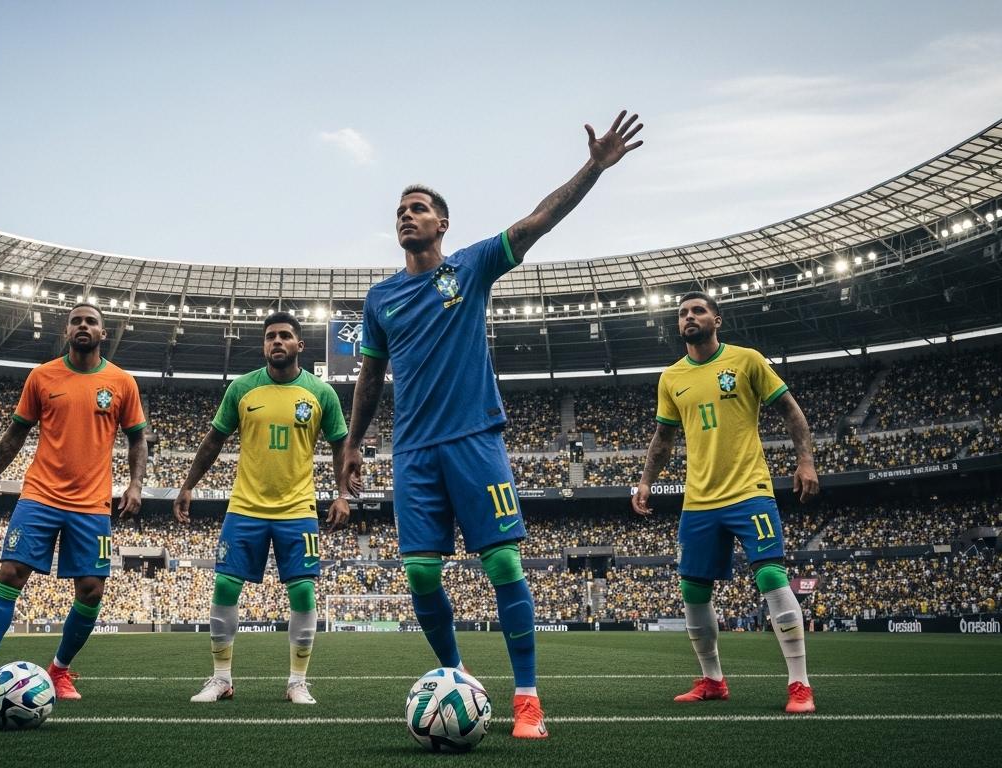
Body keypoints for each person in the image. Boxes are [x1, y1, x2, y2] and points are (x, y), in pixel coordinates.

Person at [342, 110, 645, 739]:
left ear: (442, 223)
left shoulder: (471, 266)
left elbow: (538, 220)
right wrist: (352, 444)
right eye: (400, 211)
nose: (406, 216)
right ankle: (457, 676)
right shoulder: (380, 299)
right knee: (421, 574)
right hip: (413, 452)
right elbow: (370, 379)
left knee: (504, 564)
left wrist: (592, 167)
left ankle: (527, 698)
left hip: (475, 441)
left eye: (419, 208)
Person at [0, 303, 148, 706]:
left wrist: (136, 484)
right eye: (76, 321)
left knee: (91, 590)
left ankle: (59, 670)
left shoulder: (122, 382)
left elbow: (137, 438)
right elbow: (14, 435)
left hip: (92, 504)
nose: (83, 326)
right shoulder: (41, 377)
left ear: (103, 333)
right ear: (66, 331)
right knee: (10, 573)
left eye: (91, 321)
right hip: (39, 496)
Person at [631, 291, 819, 714]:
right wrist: (645, 482)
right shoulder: (671, 377)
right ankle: (712, 680)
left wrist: (805, 461)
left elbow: (790, 410)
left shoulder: (746, 360)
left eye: (698, 310)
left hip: (749, 491)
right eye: (682, 313)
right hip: (699, 500)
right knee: (692, 589)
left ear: (717, 319)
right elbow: (663, 438)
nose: (689, 317)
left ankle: (800, 685)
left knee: (771, 576)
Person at [176, 312, 350, 705]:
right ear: (263, 345)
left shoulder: (321, 393)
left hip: (298, 508)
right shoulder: (241, 389)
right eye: (271, 336)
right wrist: (188, 485)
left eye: (285, 335)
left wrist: (342, 493)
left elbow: (341, 444)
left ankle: (297, 682)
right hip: (245, 507)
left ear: (299, 345)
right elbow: (214, 440)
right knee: (225, 586)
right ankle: (221, 678)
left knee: (303, 591)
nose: (277, 341)